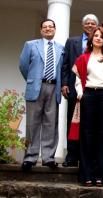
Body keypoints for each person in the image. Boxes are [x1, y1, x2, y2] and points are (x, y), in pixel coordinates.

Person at [72, 26, 103, 186]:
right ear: (91, 39)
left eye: (102, 36)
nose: (98, 38)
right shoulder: (83, 58)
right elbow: (78, 79)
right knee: (87, 135)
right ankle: (86, 175)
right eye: (96, 36)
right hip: (89, 95)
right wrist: (81, 94)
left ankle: (101, 175)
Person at [19, 19, 64, 171]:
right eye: (45, 27)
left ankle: (48, 157)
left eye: (51, 27)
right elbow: (23, 65)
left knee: (51, 123)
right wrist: (33, 80)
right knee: (33, 123)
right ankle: (30, 157)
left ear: (55, 29)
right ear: (41, 30)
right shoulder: (30, 45)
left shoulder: (61, 48)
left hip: (53, 87)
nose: (48, 29)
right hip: (36, 87)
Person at [61, 14, 98, 167]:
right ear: (83, 25)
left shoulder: (99, 42)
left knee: (90, 123)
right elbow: (65, 64)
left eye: (92, 23)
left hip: (93, 88)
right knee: (72, 121)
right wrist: (64, 83)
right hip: (73, 87)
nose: (90, 25)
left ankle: (87, 156)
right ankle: (71, 155)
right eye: (87, 23)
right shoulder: (72, 41)